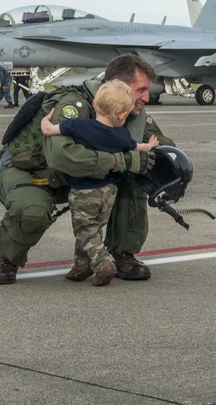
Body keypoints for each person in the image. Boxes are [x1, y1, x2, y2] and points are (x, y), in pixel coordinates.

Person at [0, 53, 175, 285]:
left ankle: (121, 252)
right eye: (141, 90)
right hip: (30, 171)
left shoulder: (128, 112)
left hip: (78, 179)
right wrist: (122, 162)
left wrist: (172, 165)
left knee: (133, 177)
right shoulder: (72, 105)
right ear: (117, 85)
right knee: (33, 210)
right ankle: (8, 257)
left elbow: (162, 144)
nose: (147, 97)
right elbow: (61, 157)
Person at [40, 79, 159, 286]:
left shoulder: (80, 126)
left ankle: (103, 262)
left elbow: (49, 131)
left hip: (84, 190)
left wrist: (45, 122)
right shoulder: (121, 135)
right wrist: (149, 145)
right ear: (123, 115)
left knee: (84, 230)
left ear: (94, 104)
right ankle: (81, 265)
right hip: (109, 192)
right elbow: (136, 147)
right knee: (95, 228)